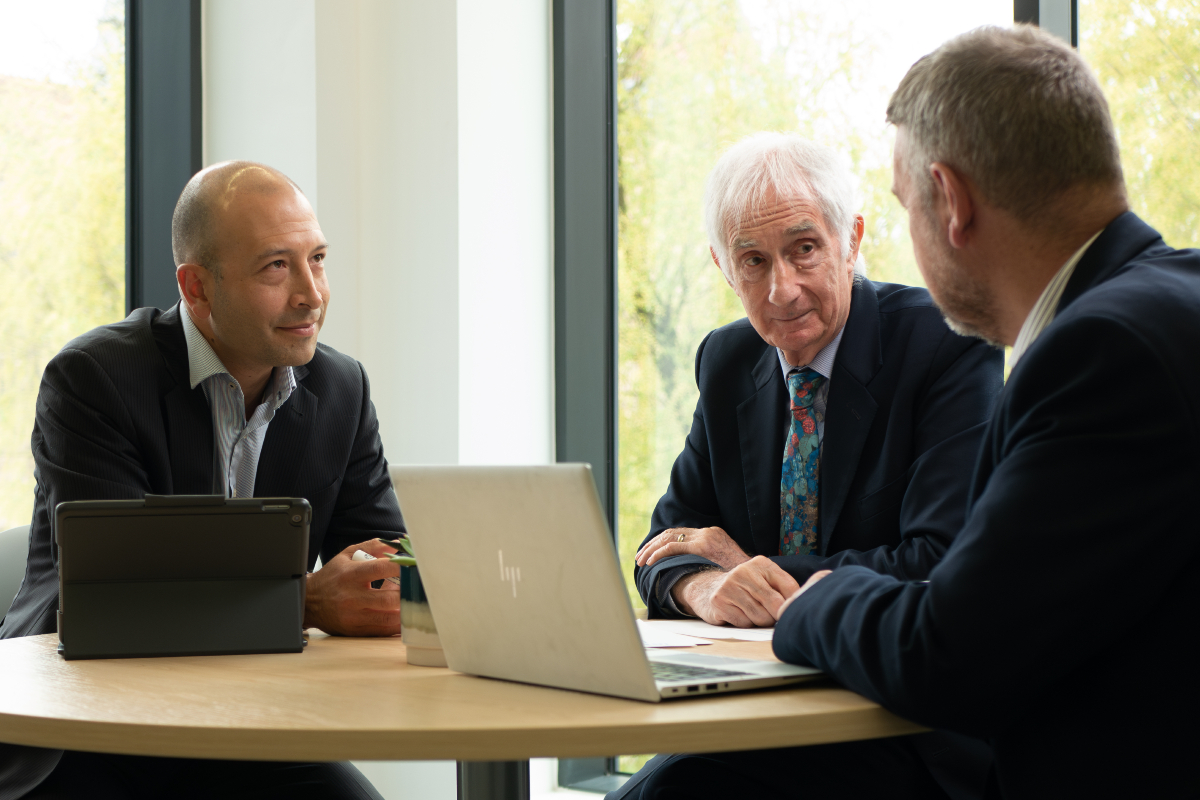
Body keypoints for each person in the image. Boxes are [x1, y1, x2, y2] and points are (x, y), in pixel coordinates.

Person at [645, 24, 1200, 800]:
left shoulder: (1099, 354)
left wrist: (793, 593)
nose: (784, 287)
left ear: (953, 203)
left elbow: (949, 648)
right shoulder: (1163, 308)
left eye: (907, 207)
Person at [0, 162, 402, 799]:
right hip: (88, 731)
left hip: (252, 728)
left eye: (317, 259)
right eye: (277, 266)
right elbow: (113, 604)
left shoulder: (340, 388)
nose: (312, 294)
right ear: (197, 287)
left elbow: (385, 557)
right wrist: (307, 601)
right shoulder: (96, 380)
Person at [621, 134, 1003, 799]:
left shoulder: (944, 344)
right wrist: (703, 588)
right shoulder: (728, 359)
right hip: (760, 712)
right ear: (722, 267)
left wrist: (742, 571)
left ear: (851, 239)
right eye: (752, 260)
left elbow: (935, 562)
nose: (782, 289)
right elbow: (663, 548)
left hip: (901, 728)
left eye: (804, 249)